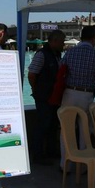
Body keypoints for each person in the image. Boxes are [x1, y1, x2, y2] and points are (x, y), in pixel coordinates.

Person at [59, 25, 95, 169]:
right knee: (84, 129)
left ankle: (65, 164)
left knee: (66, 128)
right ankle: (83, 164)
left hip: (69, 93)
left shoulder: (70, 52)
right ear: (94, 38)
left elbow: (60, 71)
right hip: (86, 95)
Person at [27, 29, 66, 164]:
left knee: (53, 125)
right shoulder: (42, 55)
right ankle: (38, 155)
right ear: (54, 41)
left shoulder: (56, 55)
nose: (63, 45)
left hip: (54, 96)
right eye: (62, 42)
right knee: (43, 125)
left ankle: (51, 151)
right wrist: (36, 90)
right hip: (44, 97)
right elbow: (31, 74)